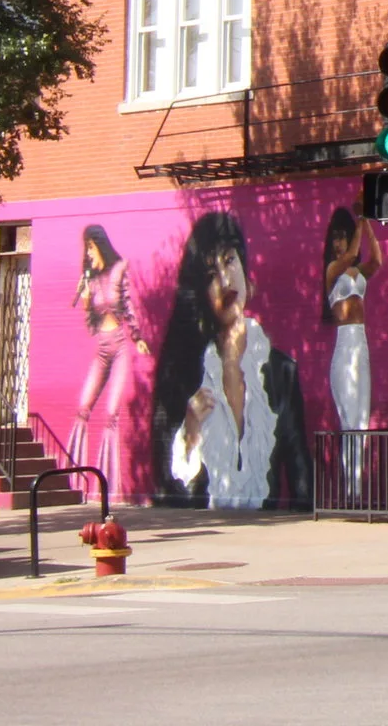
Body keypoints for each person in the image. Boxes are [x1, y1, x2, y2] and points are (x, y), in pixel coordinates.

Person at [150, 211, 311, 511]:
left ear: (247, 274)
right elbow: (170, 492)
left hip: (271, 534)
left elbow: (301, 480)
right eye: (211, 275)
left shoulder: (281, 372)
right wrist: (189, 432)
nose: (224, 281)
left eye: (229, 261)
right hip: (207, 532)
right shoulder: (187, 373)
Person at [70, 225, 148, 485]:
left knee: (112, 413)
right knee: (83, 407)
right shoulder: (91, 280)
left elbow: (127, 305)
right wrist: (85, 299)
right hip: (102, 349)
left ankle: (108, 482)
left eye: (90, 248)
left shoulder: (119, 269)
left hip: (120, 347)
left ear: (99, 245)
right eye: (86, 249)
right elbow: (92, 325)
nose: (88, 254)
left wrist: (138, 338)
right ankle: (75, 477)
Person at [320, 207, 382, 500]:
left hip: (361, 343)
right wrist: (360, 220)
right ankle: (349, 491)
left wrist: (368, 224)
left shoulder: (358, 273)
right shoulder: (332, 270)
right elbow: (352, 254)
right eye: (335, 238)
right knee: (348, 421)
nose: (339, 243)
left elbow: (376, 260)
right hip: (344, 345)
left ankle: (357, 490)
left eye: (342, 237)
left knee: (362, 419)